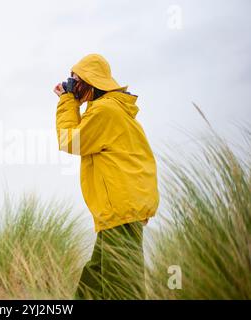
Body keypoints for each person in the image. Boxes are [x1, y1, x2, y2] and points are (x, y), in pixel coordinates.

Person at [53, 54, 159, 299]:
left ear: (90, 81)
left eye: (75, 80)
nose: (72, 85)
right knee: (96, 277)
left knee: (121, 285)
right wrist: (72, 99)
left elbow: (70, 141)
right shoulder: (107, 108)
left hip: (121, 209)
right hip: (121, 209)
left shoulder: (105, 110)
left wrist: (67, 101)